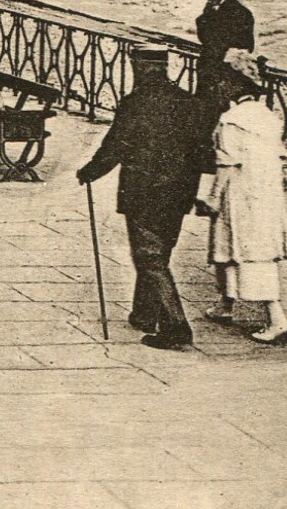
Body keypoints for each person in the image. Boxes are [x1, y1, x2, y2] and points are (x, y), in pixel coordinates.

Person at [75, 45, 208, 350]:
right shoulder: (188, 102)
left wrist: (91, 171)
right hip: (178, 192)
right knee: (160, 251)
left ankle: (175, 325)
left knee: (148, 256)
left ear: (140, 67)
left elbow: (115, 146)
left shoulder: (135, 103)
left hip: (143, 191)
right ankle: (145, 312)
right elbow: (201, 152)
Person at [199, 48, 287, 345]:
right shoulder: (268, 117)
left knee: (247, 250)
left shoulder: (232, 120)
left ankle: (277, 319)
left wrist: (213, 197)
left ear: (232, 85)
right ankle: (227, 302)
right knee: (240, 245)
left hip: (240, 193)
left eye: (222, 82)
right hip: (267, 192)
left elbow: (227, 163)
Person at [194, 0, 254, 99]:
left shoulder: (235, 12)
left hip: (223, 75)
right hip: (216, 74)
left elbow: (215, 40)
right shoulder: (224, 10)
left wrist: (207, 16)